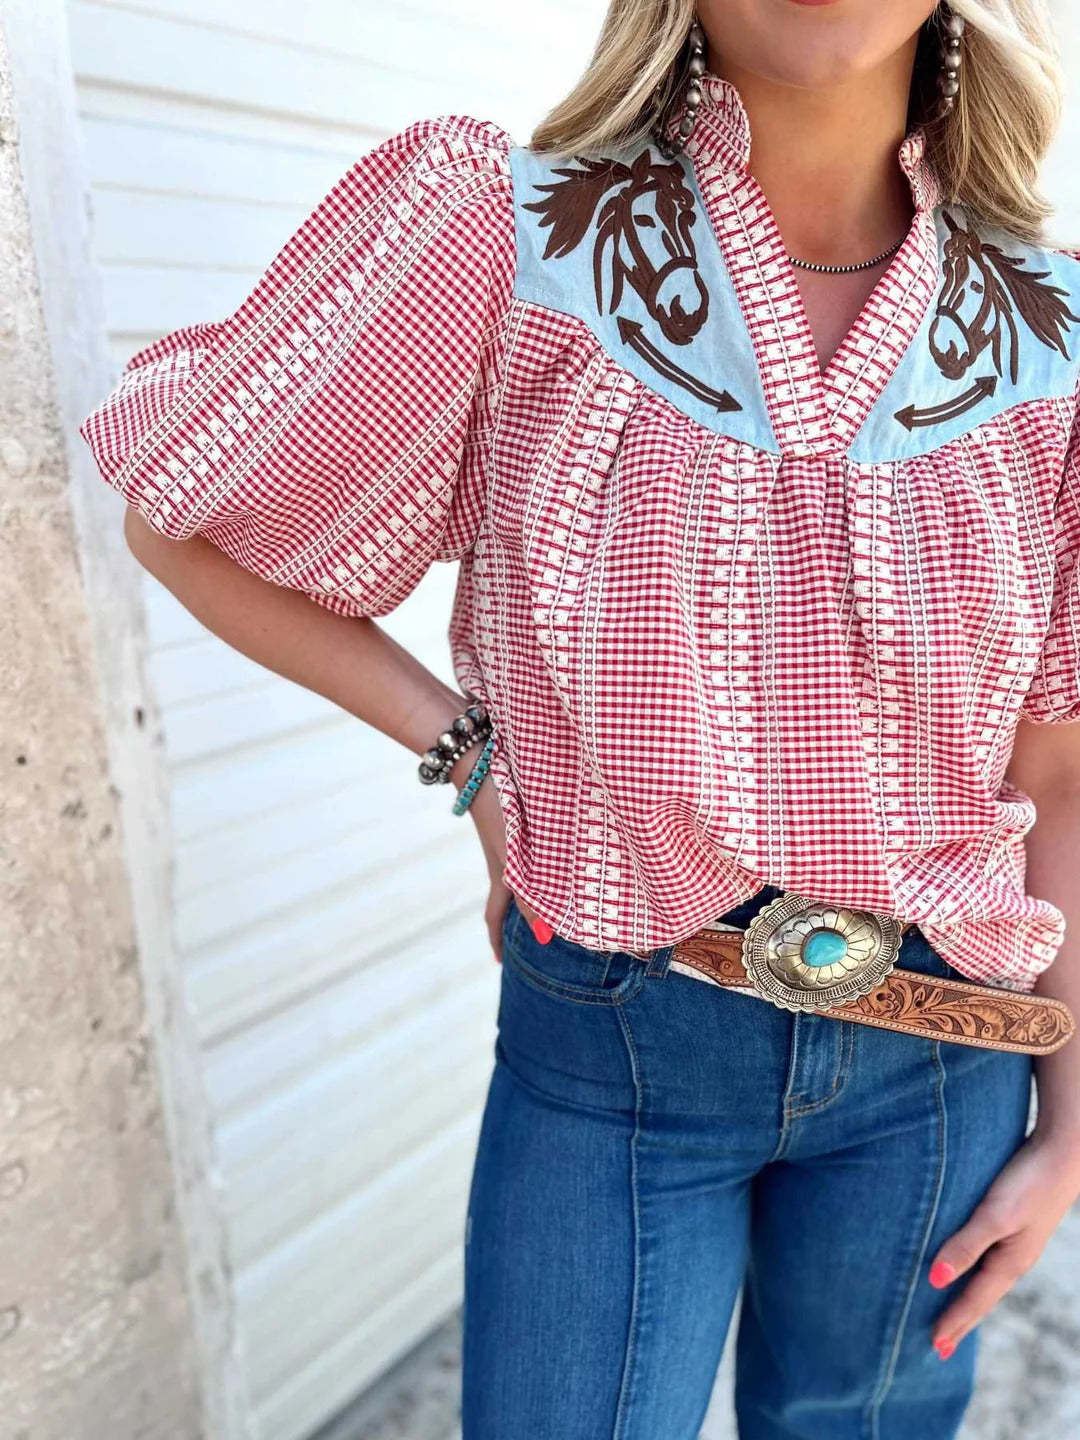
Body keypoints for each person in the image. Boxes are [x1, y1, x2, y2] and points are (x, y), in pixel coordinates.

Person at [78, 1, 1080, 1436]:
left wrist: (1072, 1119)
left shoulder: (1051, 331)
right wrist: (473, 761)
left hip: (943, 1061)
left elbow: (1059, 768)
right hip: (618, 1042)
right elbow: (194, 521)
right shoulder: (510, 239)